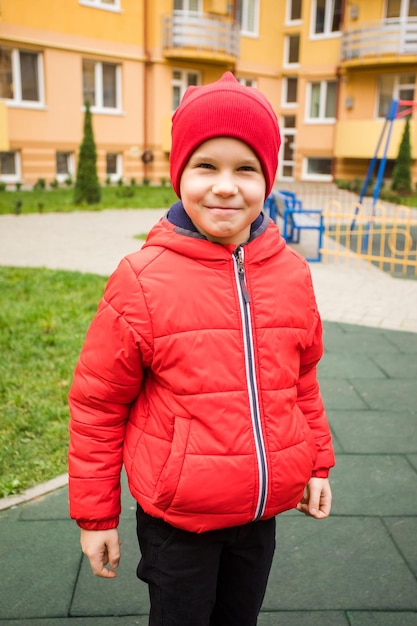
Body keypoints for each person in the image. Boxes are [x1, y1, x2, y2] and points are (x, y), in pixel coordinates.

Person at [68, 71, 335, 626]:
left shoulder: (290, 274)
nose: (224, 186)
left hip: (259, 512)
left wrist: (317, 463)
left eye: (245, 169)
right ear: (178, 174)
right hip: (178, 519)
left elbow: (301, 378)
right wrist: (96, 517)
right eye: (205, 166)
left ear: (267, 178)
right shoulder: (142, 279)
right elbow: (98, 405)